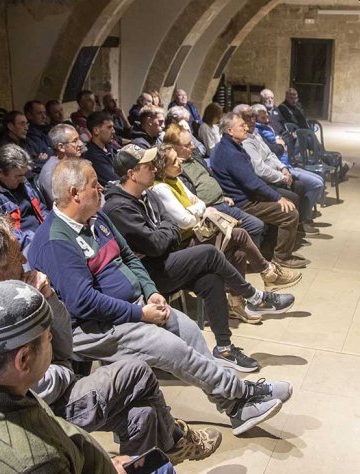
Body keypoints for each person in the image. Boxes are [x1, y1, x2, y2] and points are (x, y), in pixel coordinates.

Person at [29, 158, 293, 434]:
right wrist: (140, 314)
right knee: (173, 348)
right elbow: (83, 302)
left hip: (132, 306)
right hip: (94, 327)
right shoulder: (55, 241)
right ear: (74, 193)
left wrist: (150, 291)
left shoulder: (97, 217)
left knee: (189, 331)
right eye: (95, 186)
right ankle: (242, 393)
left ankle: (236, 407)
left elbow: (129, 257)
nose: (101, 190)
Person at [0, 218, 220, 462]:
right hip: (29, 411)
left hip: (46, 383)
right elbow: (38, 387)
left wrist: (50, 299)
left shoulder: (4, 291)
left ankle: (159, 451)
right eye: (18, 256)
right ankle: (175, 441)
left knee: (142, 414)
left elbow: (63, 344)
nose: (26, 260)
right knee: (136, 371)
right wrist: (67, 370)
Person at [0, 280, 120, 473]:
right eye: (47, 336)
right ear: (23, 359)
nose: (52, 339)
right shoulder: (39, 462)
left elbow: (48, 423)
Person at [104, 144, 298, 333]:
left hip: (168, 256)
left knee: (212, 277)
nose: (154, 168)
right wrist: (168, 229)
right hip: (150, 273)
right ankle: (255, 296)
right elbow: (158, 243)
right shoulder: (119, 207)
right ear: (132, 174)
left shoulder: (147, 194)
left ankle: (224, 347)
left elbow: (171, 227)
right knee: (210, 253)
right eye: (148, 166)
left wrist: (166, 229)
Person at [149, 144, 301, 290]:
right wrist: (198, 209)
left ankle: (237, 299)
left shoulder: (175, 179)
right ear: (162, 168)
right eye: (174, 161)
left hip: (197, 231)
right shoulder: (161, 188)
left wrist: (194, 208)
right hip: (184, 242)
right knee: (240, 234)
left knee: (239, 253)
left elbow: (200, 203)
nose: (180, 161)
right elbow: (185, 221)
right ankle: (268, 272)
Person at [210, 113, 308, 269]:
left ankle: (268, 252)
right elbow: (252, 183)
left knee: (286, 202)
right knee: (289, 213)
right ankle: (282, 257)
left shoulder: (229, 146)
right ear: (230, 130)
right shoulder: (230, 153)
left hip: (247, 196)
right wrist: (277, 197)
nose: (246, 127)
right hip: (244, 203)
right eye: (241, 125)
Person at [162, 124, 265, 245]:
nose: (193, 146)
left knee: (256, 225)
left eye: (191, 142)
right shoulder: (174, 169)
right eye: (188, 144)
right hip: (207, 210)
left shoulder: (194, 156)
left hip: (222, 202)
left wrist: (223, 195)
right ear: (174, 147)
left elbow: (210, 177)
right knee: (243, 231)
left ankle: (247, 260)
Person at [237, 104, 323, 234]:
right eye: (248, 122)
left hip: (279, 170)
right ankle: (283, 237)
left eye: (253, 121)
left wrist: (283, 168)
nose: (251, 124)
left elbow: (270, 154)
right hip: (264, 181)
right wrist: (282, 177)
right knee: (295, 195)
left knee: (300, 186)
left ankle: (299, 224)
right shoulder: (246, 142)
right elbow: (260, 169)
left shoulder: (255, 134)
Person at [0, 144, 47, 249]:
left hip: (41, 235)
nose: (23, 179)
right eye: (18, 176)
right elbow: (6, 234)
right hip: (24, 247)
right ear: (0, 173)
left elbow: (41, 208)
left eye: (24, 174)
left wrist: (53, 227)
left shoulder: (21, 180)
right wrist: (39, 240)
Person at [39, 124, 84, 206]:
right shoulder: (51, 173)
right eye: (75, 141)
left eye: (79, 139)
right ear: (61, 147)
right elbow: (63, 206)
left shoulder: (72, 163)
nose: (80, 144)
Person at [84, 110, 120, 185]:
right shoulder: (93, 156)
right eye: (109, 127)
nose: (113, 131)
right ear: (96, 130)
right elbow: (116, 180)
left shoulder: (110, 147)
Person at [23, 100, 53, 174]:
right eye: (39, 113)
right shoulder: (27, 137)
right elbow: (32, 164)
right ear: (29, 115)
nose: (44, 117)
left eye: (44, 113)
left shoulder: (47, 130)